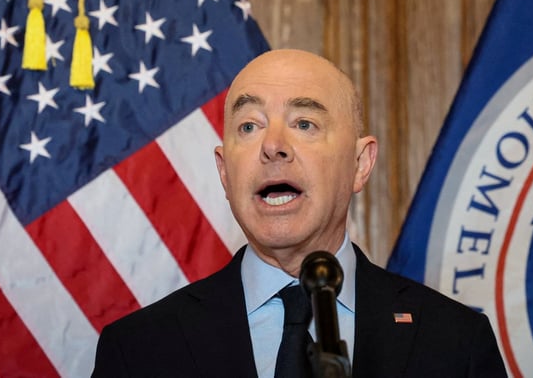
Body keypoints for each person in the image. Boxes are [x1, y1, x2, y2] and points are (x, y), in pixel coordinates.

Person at [92, 49, 507, 377]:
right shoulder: (138, 349)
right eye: (249, 126)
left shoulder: (455, 342)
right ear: (224, 170)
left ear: (360, 164)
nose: (273, 145)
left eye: (304, 123)